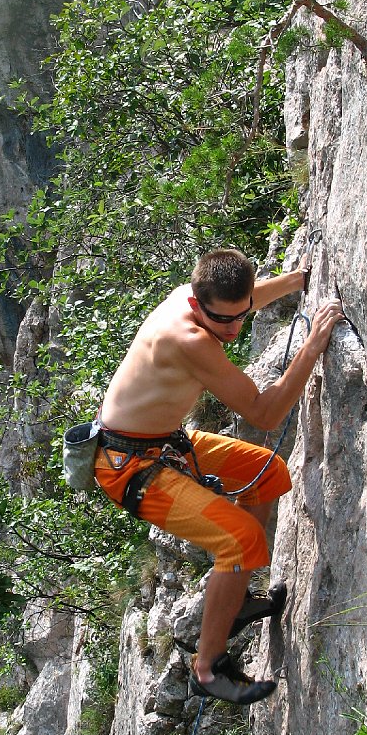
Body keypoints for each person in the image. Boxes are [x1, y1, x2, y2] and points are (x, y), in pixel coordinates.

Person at [94, 248, 345, 703]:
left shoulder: (200, 300)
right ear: (196, 305)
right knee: (239, 539)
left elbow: (241, 301)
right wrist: (314, 346)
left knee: (267, 472)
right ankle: (207, 669)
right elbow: (266, 413)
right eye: (221, 321)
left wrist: (296, 280)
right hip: (129, 468)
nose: (232, 331)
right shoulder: (190, 340)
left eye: (239, 317)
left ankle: (235, 601)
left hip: (164, 445)